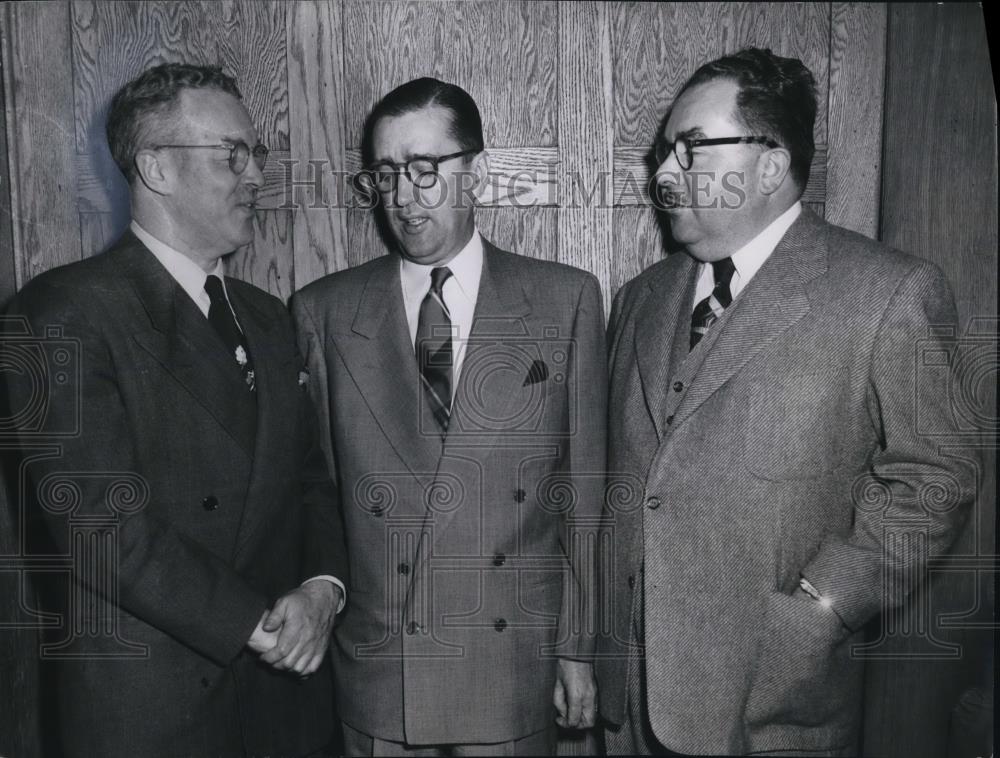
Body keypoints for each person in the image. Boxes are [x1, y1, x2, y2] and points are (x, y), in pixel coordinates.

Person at [596, 48, 975, 756]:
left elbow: (937, 477)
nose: (664, 175)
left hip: (770, 704)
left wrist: (825, 603)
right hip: (628, 702)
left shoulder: (888, 292)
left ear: (770, 165)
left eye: (690, 150)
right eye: (662, 154)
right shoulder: (640, 300)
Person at [1, 63, 346, 758]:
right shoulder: (61, 312)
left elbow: (310, 481)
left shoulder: (267, 317)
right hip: (154, 712)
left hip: (285, 707)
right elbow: (102, 524)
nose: (255, 176)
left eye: (257, 154)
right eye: (231, 155)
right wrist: (260, 624)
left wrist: (322, 589)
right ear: (155, 168)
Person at [291, 77, 607, 756]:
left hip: (510, 666)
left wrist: (577, 647)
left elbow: (583, 495)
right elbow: (313, 495)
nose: (402, 199)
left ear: (480, 174)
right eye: (385, 174)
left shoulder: (564, 300)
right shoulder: (323, 311)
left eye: (425, 170)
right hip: (382, 671)